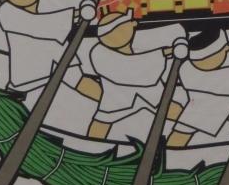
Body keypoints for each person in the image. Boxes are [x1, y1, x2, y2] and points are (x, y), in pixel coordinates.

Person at [79, 9, 185, 140]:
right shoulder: (98, 53)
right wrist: (165, 53)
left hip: (151, 94)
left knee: (178, 112)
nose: (133, 23)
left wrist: (172, 49)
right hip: (116, 98)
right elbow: (131, 67)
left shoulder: (141, 45)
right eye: (127, 23)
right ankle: (90, 144)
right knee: (103, 121)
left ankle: (178, 141)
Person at [0, 0, 92, 98]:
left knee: (83, 83)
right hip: (27, 77)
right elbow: (38, 24)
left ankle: (108, 106)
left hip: (58, 55)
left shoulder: (49, 2)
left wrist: (87, 5)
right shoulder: (6, 11)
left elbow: (78, 1)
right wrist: (76, 14)